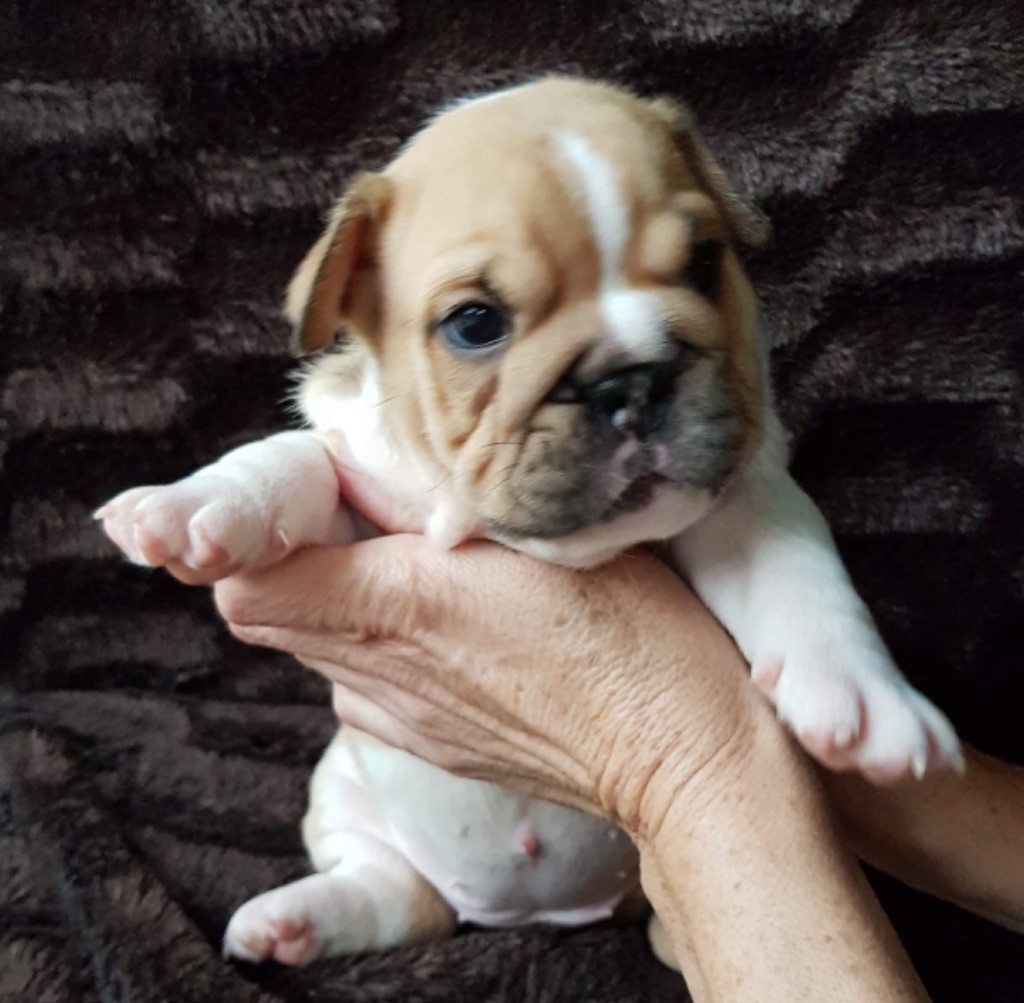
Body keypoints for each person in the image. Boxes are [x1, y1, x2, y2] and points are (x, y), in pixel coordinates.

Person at [203, 537, 1024, 1002]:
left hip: (632, 870)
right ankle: (378, 883)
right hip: (411, 826)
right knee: (349, 800)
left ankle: (671, 906)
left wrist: (689, 765)